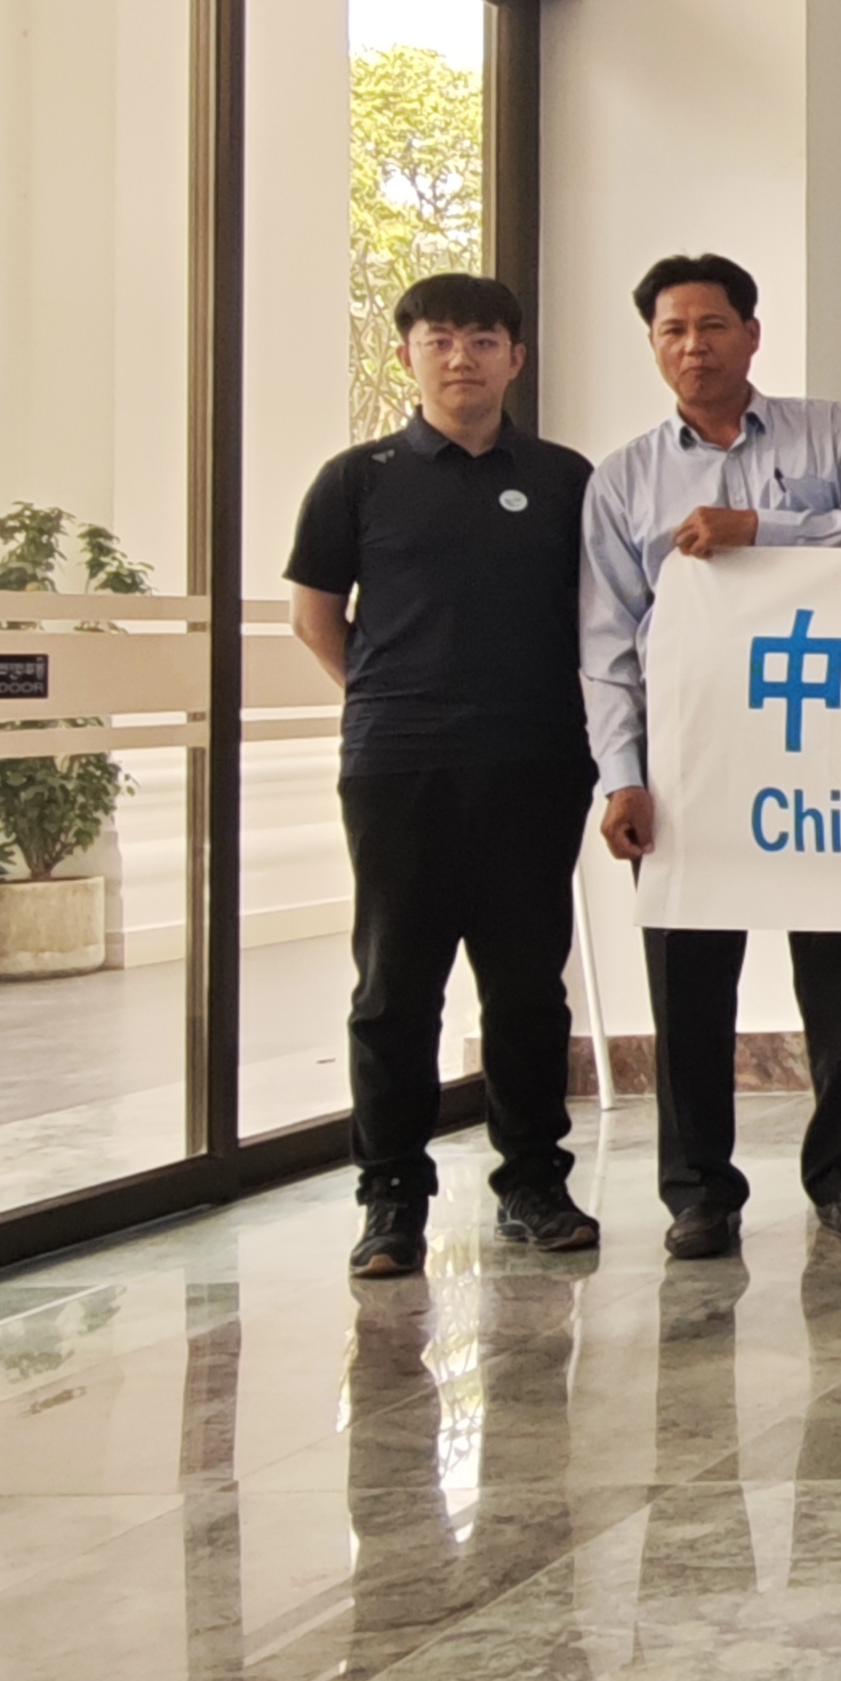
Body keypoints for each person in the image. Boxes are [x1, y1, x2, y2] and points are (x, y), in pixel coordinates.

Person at [583, 251, 841, 1260]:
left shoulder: (836, 433)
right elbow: (606, 643)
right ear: (653, 346)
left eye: (713, 325)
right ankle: (698, 1194)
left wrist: (763, 529)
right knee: (688, 980)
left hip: (824, 743)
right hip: (687, 759)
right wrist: (621, 777)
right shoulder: (623, 479)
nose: (694, 346)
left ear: (752, 334)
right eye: (673, 331)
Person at [286, 274, 598, 1279]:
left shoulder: (563, 478)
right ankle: (390, 1200)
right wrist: (394, 695)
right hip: (400, 766)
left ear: (516, 357)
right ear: (406, 357)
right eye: (439, 339)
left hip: (536, 761)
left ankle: (534, 1184)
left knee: (526, 988)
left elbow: (599, 614)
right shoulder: (357, 479)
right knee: (395, 988)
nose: (460, 356)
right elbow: (315, 617)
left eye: (482, 339)